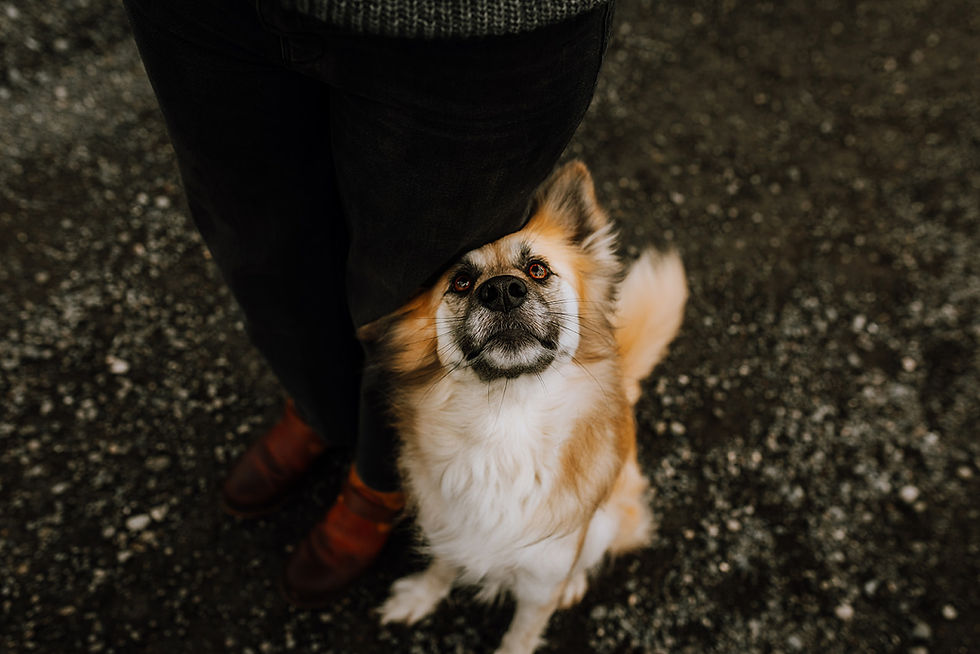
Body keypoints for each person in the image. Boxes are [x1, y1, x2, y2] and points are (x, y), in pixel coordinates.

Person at [123, 0, 615, 608]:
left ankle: (378, 483)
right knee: (261, 245)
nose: (506, 289)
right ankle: (318, 409)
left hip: (478, 29)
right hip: (218, 17)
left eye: (535, 275)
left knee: (407, 281)